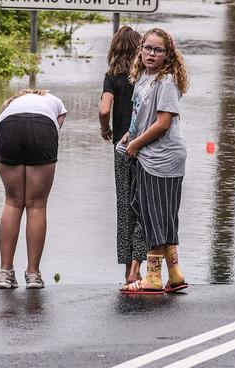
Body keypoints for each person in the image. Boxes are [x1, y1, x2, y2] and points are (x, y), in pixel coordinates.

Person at [118, 27, 190, 295]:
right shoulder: (143, 79)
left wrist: (136, 144)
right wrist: (130, 135)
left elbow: (162, 123)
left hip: (162, 158)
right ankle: (175, 274)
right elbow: (143, 118)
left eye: (157, 50)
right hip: (148, 155)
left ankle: (152, 278)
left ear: (167, 54)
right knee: (159, 216)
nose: (151, 53)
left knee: (154, 218)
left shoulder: (166, 81)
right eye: (147, 48)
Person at [0, 88, 68, 290]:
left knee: (12, 201)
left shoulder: (10, 107)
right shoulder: (52, 99)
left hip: (7, 128)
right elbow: (57, 124)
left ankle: (5, 272)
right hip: (42, 127)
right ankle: (33, 274)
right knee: (36, 205)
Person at [98, 25, 147, 285]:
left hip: (121, 147)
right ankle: (140, 266)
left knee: (124, 207)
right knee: (145, 205)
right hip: (146, 146)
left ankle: (128, 269)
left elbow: (104, 109)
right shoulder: (144, 75)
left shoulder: (112, 76)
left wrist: (106, 129)